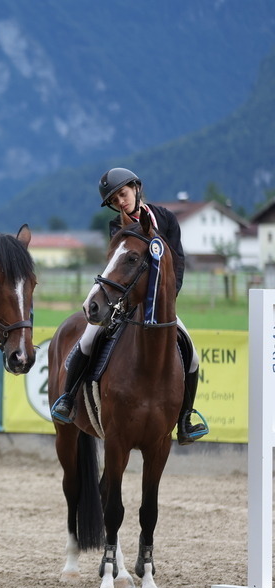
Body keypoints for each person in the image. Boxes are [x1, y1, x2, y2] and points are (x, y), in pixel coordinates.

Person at [50, 167, 209, 444]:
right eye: (114, 200)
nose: (120, 202)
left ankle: (186, 418)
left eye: (122, 194)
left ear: (136, 188)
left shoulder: (167, 219)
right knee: (87, 341)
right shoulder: (118, 227)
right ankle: (67, 399)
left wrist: (168, 300)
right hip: (124, 305)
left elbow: (178, 263)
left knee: (192, 355)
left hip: (162, 306)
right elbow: (117, 267)